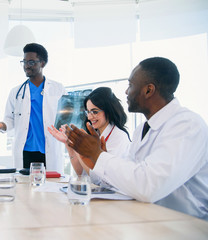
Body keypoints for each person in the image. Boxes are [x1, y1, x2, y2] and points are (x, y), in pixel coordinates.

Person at [66, 57, 208, 220]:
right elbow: (125, 180)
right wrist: (94, 157)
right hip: (150, 219)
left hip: (187, 225)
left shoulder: (187, 125)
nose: (126, 92)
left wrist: (99, 156)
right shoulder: (142, 129)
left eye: (130, 85)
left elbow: (148, 186)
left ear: (148, 90)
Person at [0, 43, 66, 173]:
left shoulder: (58, 89)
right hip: (25, 151)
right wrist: (0, 125)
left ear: (42, 63)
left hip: (49, 149)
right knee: (23, 189)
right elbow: (9, 120)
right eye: (24, 62)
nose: (26, 66)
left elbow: (66, 118)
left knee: (51, 189)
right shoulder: (16, 92)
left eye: (31, 62)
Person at [48, 87, 130, 180]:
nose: (90, 117)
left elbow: (100, 177)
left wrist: (79, 146)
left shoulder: (118, 137)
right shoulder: (96, 134)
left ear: (108, 110)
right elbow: (81, 173)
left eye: (95, 112)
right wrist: (69, 143)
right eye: (88, 112)